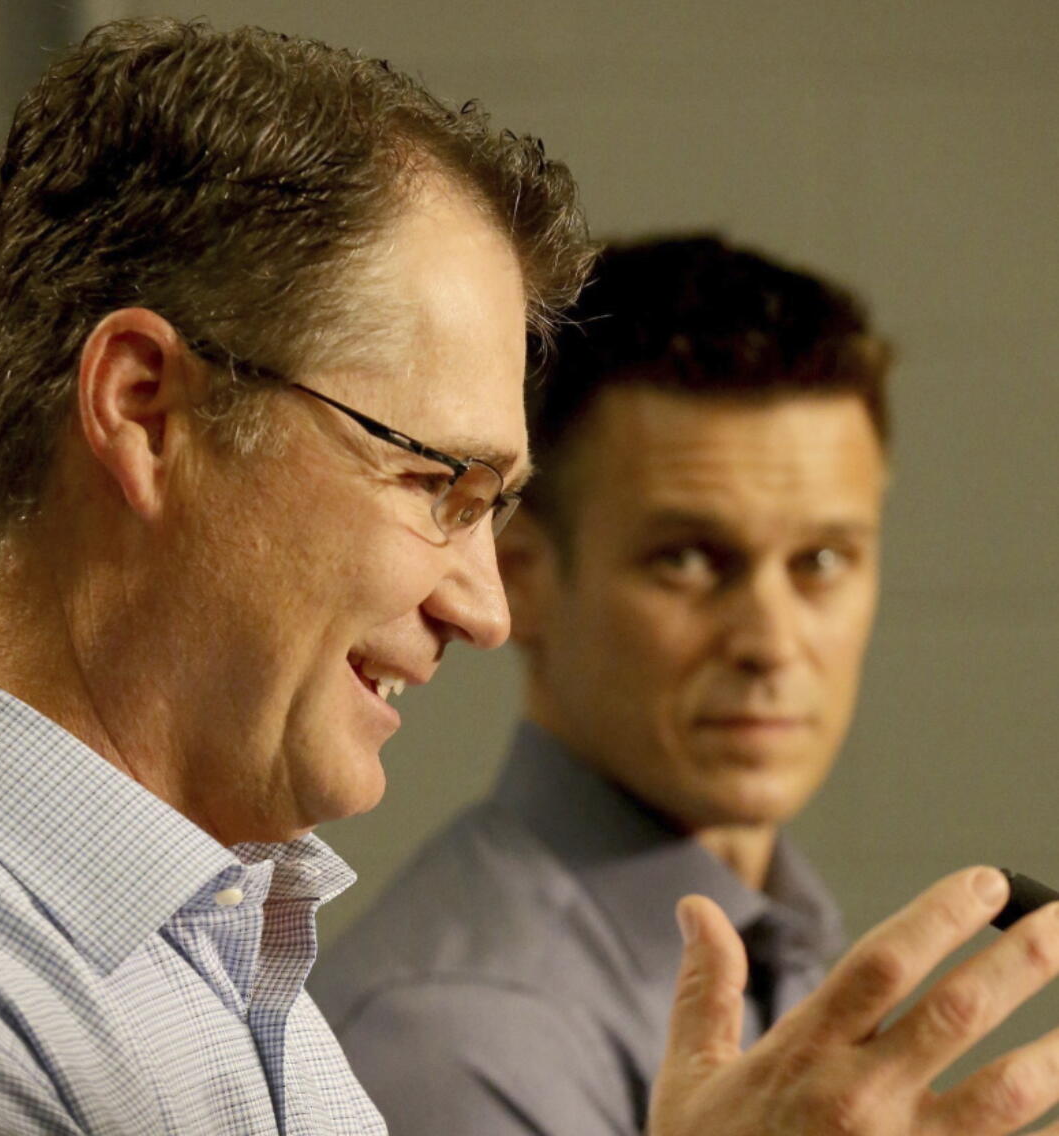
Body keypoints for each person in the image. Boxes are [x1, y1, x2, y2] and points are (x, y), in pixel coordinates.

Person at [0, 18, 1059, 1136]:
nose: (482, 603)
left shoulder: (212, 935)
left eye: (497, 505)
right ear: (148, 412)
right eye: (438, 487)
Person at [311, 236, 1058, 1135]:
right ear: (522, 577)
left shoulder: (777, 932)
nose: (771, 642)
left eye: (822, 559)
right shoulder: (455, 1042)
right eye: (690, 559)